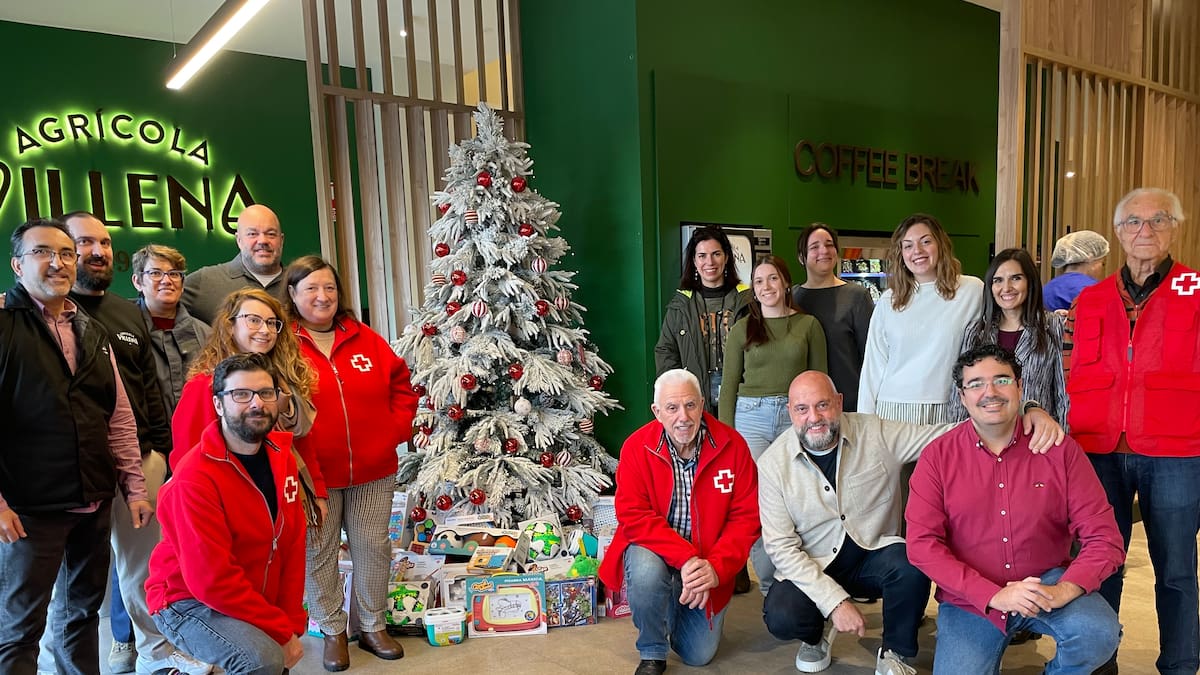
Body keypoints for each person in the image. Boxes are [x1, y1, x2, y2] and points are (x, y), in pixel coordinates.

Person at [759, 370, 1065, 674]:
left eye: (822, 405)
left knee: (912, 560)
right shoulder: (773, 465)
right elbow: (781, 549)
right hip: (817, 562)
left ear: (839, 402)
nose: (814, 417)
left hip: (874, 553)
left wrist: (1025, 411)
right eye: (802, 409)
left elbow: (945, 435)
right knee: (782, 613)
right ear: (790, 412)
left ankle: (895, 652)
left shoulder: (876, 432)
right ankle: (814, 638)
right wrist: (834, 603)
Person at [906, 344, 1124, 674]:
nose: (989, 392)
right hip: (972, 597)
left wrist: (1064, 590)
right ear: (962, 397)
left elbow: (1104, 538)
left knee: (1099, 634)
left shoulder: (1059, 451)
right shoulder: (937, 457)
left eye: (1002, 380)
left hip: (1045, 582)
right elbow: (922, 546)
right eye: (976, 384)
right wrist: (993, 595)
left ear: (1020, 386)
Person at [0, 218, 151, 674]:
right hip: (29, 509)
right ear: (17, 264)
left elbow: (119, 416)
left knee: (82, 616)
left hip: (92, 499)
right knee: (20, 629)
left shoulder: (90, 329)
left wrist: (135, 487)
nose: (58, 262)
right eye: (43, 252)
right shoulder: (3, 325)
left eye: (66, 253)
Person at [1064, 187, 1200, 674]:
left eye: (1158, 220)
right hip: (1098, 448)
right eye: (1134, 223)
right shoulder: (1092, 299)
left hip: (1177, 450)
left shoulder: (1196, 289)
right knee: (1101, 564)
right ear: (1118, 232)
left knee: (1177, 571)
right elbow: (1067, 366)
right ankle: (1102, 664)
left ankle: (1181, 666)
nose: (1146, 231)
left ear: (1174, 228)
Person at [62, 212, 205, 675]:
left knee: (144, 567)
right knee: (71, 579)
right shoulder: (50, 313)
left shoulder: (127, 314)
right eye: (84, 243)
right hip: (72, 466)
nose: (98, 251)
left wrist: (160, 451)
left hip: (141, 461)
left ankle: (155, 653)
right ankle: (63, 663)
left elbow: (146, 390)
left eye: (103, 242)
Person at [284, 256, 418, 671]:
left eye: (329, 288)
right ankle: (332, 631)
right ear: (292, 294)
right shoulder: (283, 342)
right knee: (318, 552)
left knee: (373, 549)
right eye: (310, 289)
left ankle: (374, 626)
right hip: (314, 474)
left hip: (373, 471)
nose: (322, 297)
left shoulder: (366, 339)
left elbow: (403, 388)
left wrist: (391, 432)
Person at [146, 353, 306, 675]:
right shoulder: (195, 478)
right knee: (261, 660)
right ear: (218, 405)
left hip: (243, 592)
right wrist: (278, 629)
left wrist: (290, 623)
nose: (256, 404)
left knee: (273, 654)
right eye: (241, 395)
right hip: (186, 600)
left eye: (265, 393)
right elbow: (211, 580)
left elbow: (291, 543)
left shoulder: (282, 458)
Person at [597, 369, 759, 675]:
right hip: (658, 550)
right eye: (672, 408)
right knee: (646, 573)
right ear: (657, 412)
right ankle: (652, 650)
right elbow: (633, 515)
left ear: (702, 404)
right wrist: (685, 559)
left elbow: (746, 518)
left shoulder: (733, 446)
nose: (682, 417)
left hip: (708, 561)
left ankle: (672, 598)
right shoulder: (636, 447)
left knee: (698, 655)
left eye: (690, 405)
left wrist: (714, 567)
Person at [718, 254, 826, 595]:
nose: (766, 287)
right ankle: (770, 586)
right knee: (760, 502)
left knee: (800, 499)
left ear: (786, 283)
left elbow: (820, 378)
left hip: (797, 417)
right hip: (750, 418)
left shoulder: (809, 326)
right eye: (759, 281)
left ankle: (803, 580)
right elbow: (729, 384)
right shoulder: (742, 329)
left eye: (773, 279)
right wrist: (727, 437)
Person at [859, 213, 984, 424]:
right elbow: (874, 364)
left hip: (948, 408)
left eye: (926, 241)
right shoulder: (890, 300)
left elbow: (1008, 322)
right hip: (892, 410)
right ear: (901, 254)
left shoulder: (972, 290)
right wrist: (865, 422)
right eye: (907, 246)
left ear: (941, 244)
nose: (917, 251)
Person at [171, 288, 317, 468]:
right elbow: (187, 455)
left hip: (285, 484)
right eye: (254, 321)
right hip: (227, 486)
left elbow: (301, 443)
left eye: (271, 323)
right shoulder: (203, 384)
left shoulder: (283, 377)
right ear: (230, 326)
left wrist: (317, 489)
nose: (265, 330)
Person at [949, 248, 1069, 428]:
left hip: (1036, 436)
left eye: (1016, 278)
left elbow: (1064, 393)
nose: (1006, 288)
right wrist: (958, 441)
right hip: (986, 436)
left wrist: (1063, 442)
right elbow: (959, 393)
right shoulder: (976, 332)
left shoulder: (1053, 326)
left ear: (1030, 282)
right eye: (998, 280)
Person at [654, 226, 752, 416]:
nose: (709, 262)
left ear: (727, 257)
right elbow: (666, 351)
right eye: (702, 255)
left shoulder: (746, 300)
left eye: (716, 254)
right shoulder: (680, 306)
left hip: (743, 400)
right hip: (695, 401)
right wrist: (675, 395)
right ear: (694, 261)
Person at [791, 224, 874, 411]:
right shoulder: (792, 298)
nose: (824, 251)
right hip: (805, 409)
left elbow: (871, 358)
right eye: (814, 247)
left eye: (829, 245)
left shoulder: (856, 296)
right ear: (801, 257)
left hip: (849, 405)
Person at [131, 244, 213, 412]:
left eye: (174, 274)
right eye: (155, 273)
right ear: (137, 282)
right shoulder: (124, 331)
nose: (166, 280)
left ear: (182, 284)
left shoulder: (206, 335)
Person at [182, 204, 286, 324]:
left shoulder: (299, 284)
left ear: (281, 240)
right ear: (239, 240)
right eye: (252, 234)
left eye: (271, 234)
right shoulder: (205, 281)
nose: (263, 240)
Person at [1043, 230, 1109, 311]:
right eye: (1102, 264)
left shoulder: (1047, 289)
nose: (1102, 269)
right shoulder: (1096, 291)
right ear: (1091, 258)